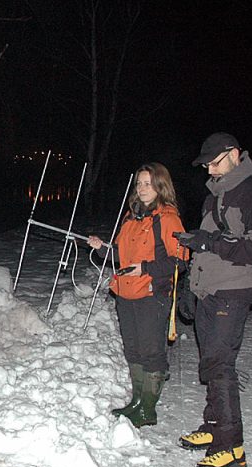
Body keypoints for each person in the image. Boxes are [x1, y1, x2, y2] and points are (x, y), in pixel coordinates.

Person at [174, 132, 252, 467]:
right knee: (210, 362)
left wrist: (209, 242)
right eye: (206, 164)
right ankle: (214, 425)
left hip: (233, 292)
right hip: (209, 291)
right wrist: (191, 284)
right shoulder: (213, 196)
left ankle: (231, 446)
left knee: (220, 367)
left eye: (215, 162)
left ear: (234, 154)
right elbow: (205, 248)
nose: (210, 169)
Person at [88, 162, 188, 428]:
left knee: (151, 351)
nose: (142, 189)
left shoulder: (168, 218)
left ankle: (148, 409)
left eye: (148, 183)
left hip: (152, 294)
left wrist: (144, 268)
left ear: (160, 186)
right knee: (132, 349)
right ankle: (137, 401)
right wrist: (102, 249)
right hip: (125, 293)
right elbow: (120, 256)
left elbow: (180, 260)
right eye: (139, 184)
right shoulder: (131, 218)